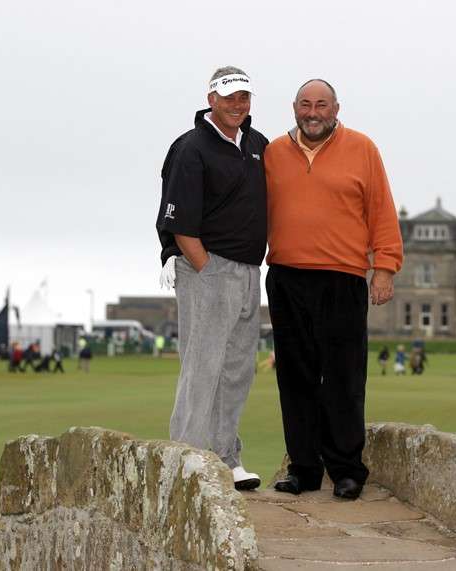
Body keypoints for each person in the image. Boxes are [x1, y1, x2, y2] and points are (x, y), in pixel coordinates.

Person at [265, 79, 404, 500]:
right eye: (305, 104)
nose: (313, 112)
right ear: (294, 108)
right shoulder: (272, 152)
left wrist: (385, 268)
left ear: (336, 108)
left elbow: (381, 209)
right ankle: (303, 469)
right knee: (295, 377)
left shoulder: (362, 148)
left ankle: (346, 470)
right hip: (287, 276)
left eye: (321, 105)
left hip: (342, 278)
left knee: (343, 377)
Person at [156, 66, 267, 491]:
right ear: (212, 98)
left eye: (244, 97)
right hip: (209, 266)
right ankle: (186, 459)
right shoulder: (191, 148)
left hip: (248, 270)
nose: (238, 104)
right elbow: (179, 221)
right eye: (230, 96)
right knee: (202, 367)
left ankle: (225, 457)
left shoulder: (257, 143)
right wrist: (205, 268)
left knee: (238, 369)